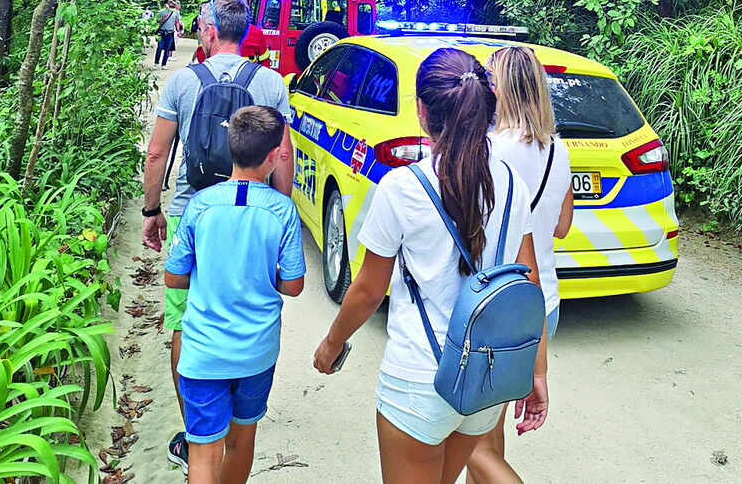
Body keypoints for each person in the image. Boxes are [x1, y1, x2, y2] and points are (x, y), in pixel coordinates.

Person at [313, 48, 550, 484]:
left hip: (417, 379)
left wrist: (331, 344)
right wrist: (536, 371)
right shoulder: (513, 185)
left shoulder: (403, 188)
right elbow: (528, 283)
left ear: (422, 111)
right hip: (482, 382)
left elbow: (367, 291)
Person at [141, 0, 294, 474]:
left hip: (193, 211)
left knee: (184, 321)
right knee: (246, 300)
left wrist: (152, 210)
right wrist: (280, 208)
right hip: (253, 214)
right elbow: (284, 156)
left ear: (207, 31)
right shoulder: (268, 81)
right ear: (247, 33)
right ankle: (235, 416)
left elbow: (157, 153)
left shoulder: (184, 80)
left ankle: (197, 430)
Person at [164, 105, 305, 484]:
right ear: (275, 155)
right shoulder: (283, 211)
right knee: (242, 439)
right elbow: (293, 285)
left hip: (204, 351)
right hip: (256, 352)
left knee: (203, 447)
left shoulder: (200, 205)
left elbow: (173, 278)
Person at [466, 46, 573, 483]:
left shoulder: (489, 149)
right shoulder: (559, 150)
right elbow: (562, 226)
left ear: (497, 89)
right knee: (488, 433)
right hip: (544, 302)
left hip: (497, 304)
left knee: (471, 435)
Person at [194, 21, 271, 68]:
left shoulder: (213, 29)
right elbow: (265, 61)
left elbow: (201, 54)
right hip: (247, 80)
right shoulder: (256, 32)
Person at [155, 0, 181, 68]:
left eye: (173, 3)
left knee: (167, 49)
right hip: (161, 32)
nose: (172, 4)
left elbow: (177, 22)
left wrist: (178, 31)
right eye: (171, 2)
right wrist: (163, 18)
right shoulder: (161, 12)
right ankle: (156, 62)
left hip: (170, 33)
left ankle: (164, 64)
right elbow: (157, 21)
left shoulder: (175, 13)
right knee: (159, 47)